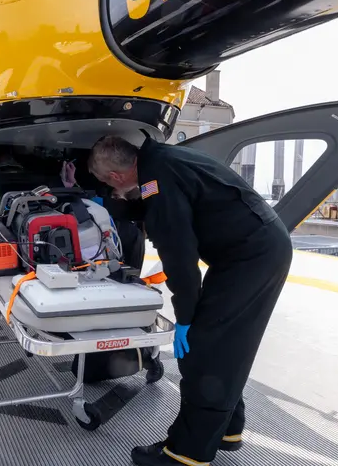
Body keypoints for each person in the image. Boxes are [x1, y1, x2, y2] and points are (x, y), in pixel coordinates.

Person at [87, 135, 293, 466]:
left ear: (115, 176)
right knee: (225, 346)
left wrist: (185, 317)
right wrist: (106, 203)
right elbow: (152, 201)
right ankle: (227, 428)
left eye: (106, 185)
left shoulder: (158, 180)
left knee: (202, 348)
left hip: (251, 258)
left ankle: (185, 453)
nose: (111, 190)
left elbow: (181, 259)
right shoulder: (160, 164)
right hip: (254, 250)